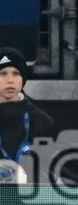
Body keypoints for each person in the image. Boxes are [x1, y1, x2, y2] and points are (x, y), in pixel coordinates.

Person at [0, 47, 54, 185]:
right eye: (3, 73)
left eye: (16, 73)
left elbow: (47, 170)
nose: (10, 80)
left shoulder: (41, 120)